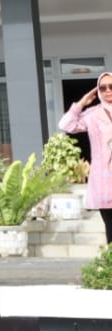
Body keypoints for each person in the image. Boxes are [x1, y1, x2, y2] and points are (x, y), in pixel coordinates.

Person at [59, 72, 112, 244]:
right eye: (102, 88)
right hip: (105, 180)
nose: (107, 91)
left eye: (111, 86)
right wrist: (82, 103)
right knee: (110, 228)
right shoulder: (93, 114)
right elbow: (65, 125)